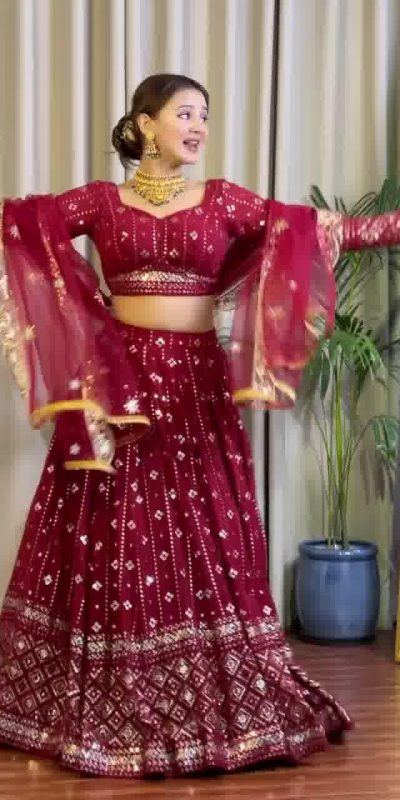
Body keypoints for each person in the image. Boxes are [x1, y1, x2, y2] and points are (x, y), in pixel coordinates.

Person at [0, 73, 397, 779]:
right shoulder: (100, 201)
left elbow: (322, 229)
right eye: (185, 113)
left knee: (201, 529)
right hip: (119, 391)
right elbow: (20, 228)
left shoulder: (223, 201)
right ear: (144, 125)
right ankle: (105, 682)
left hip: (195, 388)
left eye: (205, 116)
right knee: (113, 529)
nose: (198, 127)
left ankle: (207, 681)